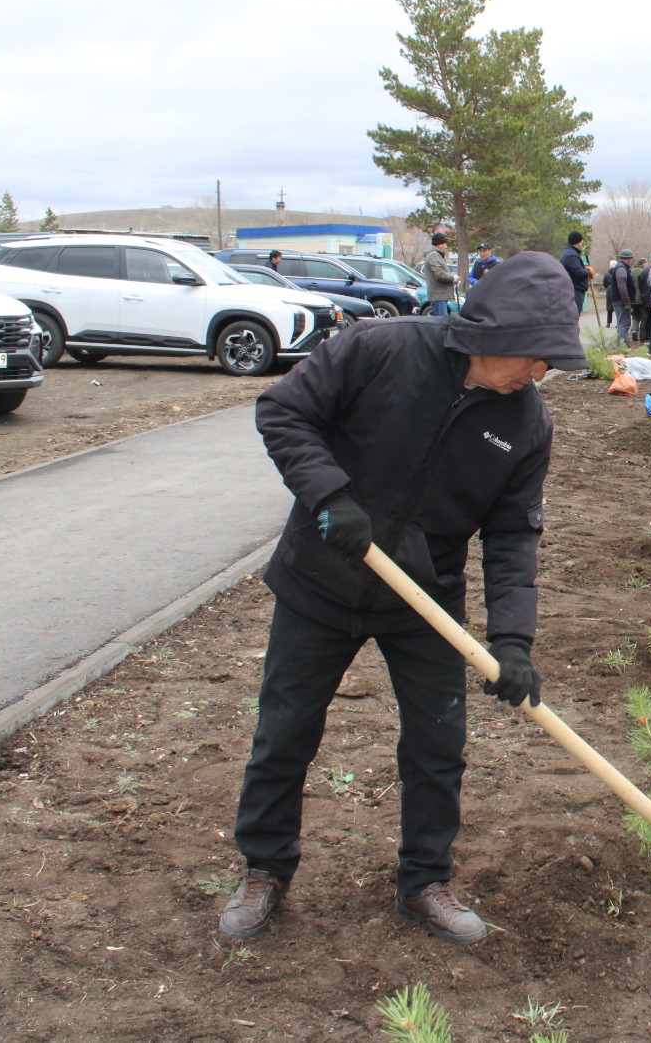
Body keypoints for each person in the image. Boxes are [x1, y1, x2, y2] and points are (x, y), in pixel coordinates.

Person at [218, 252, 587, 945]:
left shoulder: (526, 423)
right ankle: (264, 868)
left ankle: (425, 881)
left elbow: (513, 537)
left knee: (438, 744)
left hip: (426, 597)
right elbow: (283, 411)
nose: (539, 374)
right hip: (319, 579)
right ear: (495, 332)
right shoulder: (380, 349)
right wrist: (330, 493)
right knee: (285, 731)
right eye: (536, 358)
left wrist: (513, 640)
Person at [606, 249, 637, 346]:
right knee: (624, 324)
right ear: (628, 259)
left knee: (621, 323)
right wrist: (627, 301)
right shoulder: (621, 269)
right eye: (631, 258)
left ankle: (619, 344)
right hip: (621, 301)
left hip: (619, 300)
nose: (632, 260)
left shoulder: (621, 267)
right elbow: (622, 286)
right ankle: (623, 345)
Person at [423, 232, 457, 317]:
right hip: (438, 295)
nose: (446, 246)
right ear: (440, 244)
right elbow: (440, 274)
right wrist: (453, 278)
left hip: (440, 295)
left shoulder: (434, 255)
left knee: (441, 322)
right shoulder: (433, 255)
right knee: (441, 324)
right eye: (445, 243)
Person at [559, 231, 593, 314]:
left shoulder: (568, 253)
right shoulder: (572, 255)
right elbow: (579, 273)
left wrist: (585, 268)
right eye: (581, 240)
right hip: (574, 290)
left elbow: (574, 268)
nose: (582, 242)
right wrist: (588, 271)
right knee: (573, 317)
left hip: (571, 289)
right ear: (578, 241)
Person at [633, 258, 651, 343]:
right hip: (641, 299)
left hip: (633, 299)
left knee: (635, 315)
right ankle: (643, 337)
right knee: (644, 318)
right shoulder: (644, 272)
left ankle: (634, 330)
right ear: (644, 264)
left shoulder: (632, 271)